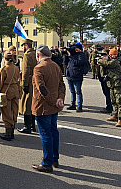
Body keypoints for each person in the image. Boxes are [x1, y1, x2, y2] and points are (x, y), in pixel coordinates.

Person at [31, 44, 65, 173]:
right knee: (53, 132)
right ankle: (54, 158)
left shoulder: (39, 68)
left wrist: (53, 101)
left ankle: (47, 163)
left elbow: (41, 89)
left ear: (38, 55)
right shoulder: (55, 66)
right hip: (54, 105)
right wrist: (59, 99)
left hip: (44, 106)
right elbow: (62, 85)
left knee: (46, 134)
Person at [98, 49, 121, 127]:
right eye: (111, 55)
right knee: (113, 101)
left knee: (119, 102)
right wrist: (101, 64)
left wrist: (100, 60)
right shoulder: (108, 62)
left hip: (118, 84)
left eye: (113, 54)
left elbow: (108, 64)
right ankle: (115, 116)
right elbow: (103, 74)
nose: (111, 56)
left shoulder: (115, 61)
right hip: (111, 84)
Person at [0, 51, 21, 141]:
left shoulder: (4, 69)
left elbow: (0, 82)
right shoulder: (16, 68)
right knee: (14, 111)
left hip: (6, 91)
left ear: (5, 58)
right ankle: (12, 130)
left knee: (7, 112)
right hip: (15, 90)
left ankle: (8, 132)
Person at [17, 39, 37, 134]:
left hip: (28, 81)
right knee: (32, 103)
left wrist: (24, 83)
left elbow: (25, 71)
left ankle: (27, 126)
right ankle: (33, 125)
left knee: (26, 104)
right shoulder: (36, 54)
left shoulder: (27, 55)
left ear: (26, 46)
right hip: (35, 80)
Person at [64, 43, 87, 112]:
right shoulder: (72, 55)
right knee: (72, 91)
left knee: (78, 92)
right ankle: (72, 104)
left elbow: (78, 63)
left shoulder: (82, 55)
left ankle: (79, 106)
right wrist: (66, 55)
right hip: (70, 75)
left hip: (77, 75)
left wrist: (70, 56)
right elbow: (65, 63)